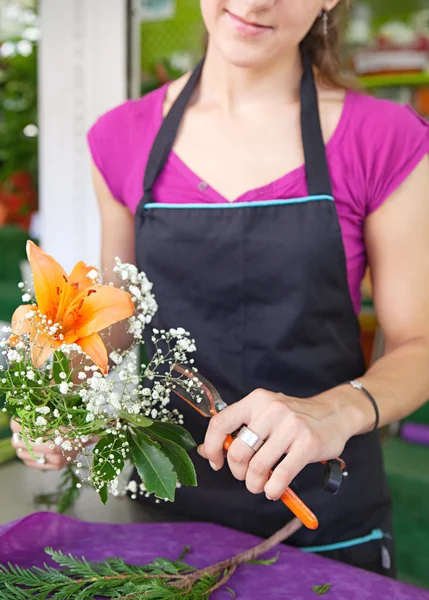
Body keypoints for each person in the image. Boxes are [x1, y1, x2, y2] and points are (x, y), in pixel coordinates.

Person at [13, 0, 429, 577]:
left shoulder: (384, 138)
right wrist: (64, 402)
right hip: (164, 525)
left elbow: (420, 344)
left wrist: (332, 412)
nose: (256, 2)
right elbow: (114, 321)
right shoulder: (120, 137)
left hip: (324, 516)